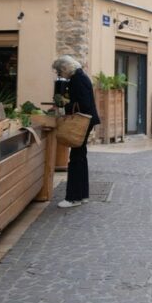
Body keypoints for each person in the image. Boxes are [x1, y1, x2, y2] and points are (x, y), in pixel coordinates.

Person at [53, 56, 100, 209]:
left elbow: (83, 104)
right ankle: (82, 195)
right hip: (89, 120)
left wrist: (65, 107)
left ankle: (73, 198)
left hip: (83, 121)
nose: (60, 74)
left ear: (66, 68)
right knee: (80, 157)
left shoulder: (76, 79)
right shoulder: (81, 76)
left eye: (60, 71)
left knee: (75, 159)